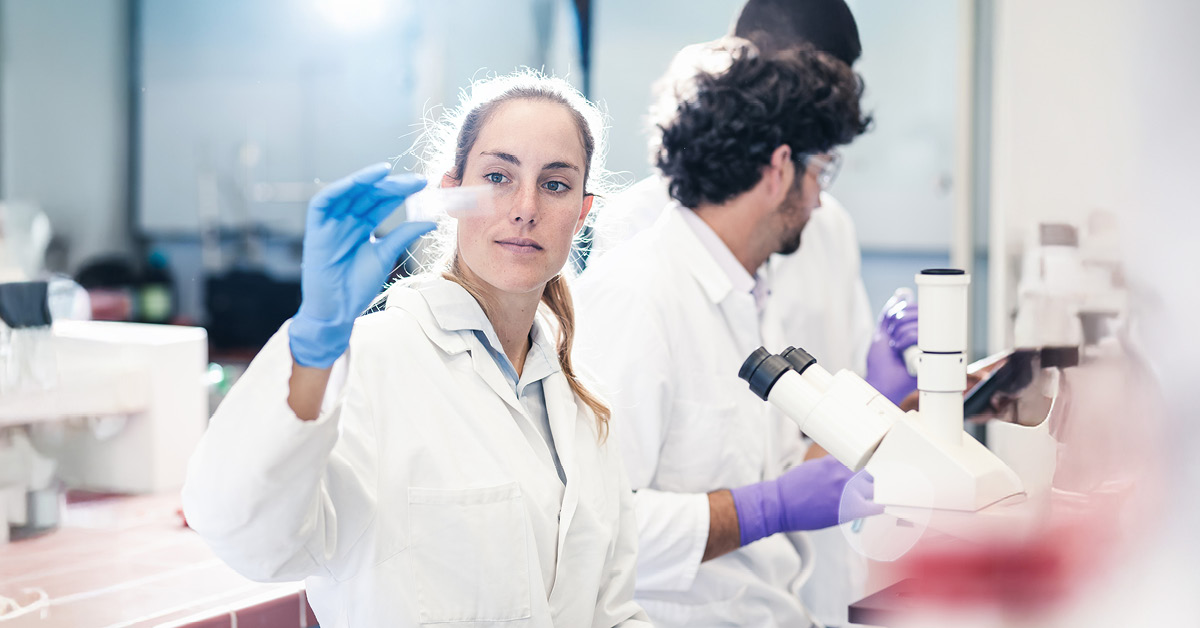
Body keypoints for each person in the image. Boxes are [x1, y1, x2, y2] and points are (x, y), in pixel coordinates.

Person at [182, 72, 650, 627]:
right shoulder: (376, 362)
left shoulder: (583, 405)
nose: (525, 208)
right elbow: (247, 534)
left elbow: (612, 611)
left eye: (554, 184)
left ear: (582, 211)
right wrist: (313, 346)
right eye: (498, 177)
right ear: (451, 193)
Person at [574, 40, 875, 627]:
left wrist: (884, 416)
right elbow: (598, 531)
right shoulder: (638, 296)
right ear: (780, 168)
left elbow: (771, 467)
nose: (820, 200)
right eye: (820, 172)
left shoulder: (749, 294)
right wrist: (764, 509)